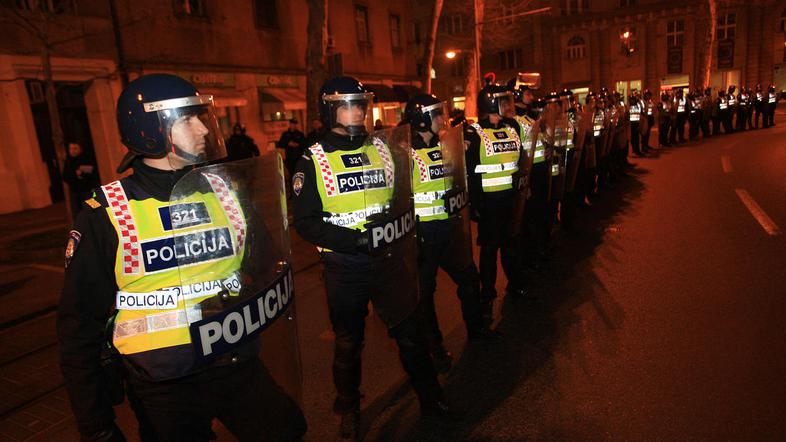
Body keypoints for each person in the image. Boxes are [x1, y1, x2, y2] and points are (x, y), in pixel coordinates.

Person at [57, 73, 306, 442]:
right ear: (150, 129)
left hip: (232, 358)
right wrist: (94, 424)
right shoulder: (106, 212)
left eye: (200, 117)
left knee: (286, 431)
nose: (204, 129)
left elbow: (265, 265)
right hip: (163, 382)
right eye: (188, 119)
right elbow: (78, 326)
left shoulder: (224, 189)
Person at [292, 77, 450, 440]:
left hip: (388, 256)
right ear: (330, 109)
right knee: (349, 342)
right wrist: (354, 239)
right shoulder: (311, 159)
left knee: (410, 331)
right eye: (349, 104)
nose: (359, 110)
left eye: (361, 103)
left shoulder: (382, 148)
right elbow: (306, 223)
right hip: (345, 266)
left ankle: (432, 398)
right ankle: (348, 406)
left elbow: (398, 197)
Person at [403, 93, 500, 373]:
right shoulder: (403, 152)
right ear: (422, 118)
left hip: (448, 228)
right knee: (424, 294)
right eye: (436, 115)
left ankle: (476, 329)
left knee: (469, 278)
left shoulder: (444, 144)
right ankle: (435, 349)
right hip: (422, 234)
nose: (441, 120)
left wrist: (463, 149)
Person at [465, 80, 528, 319]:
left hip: (511, 199)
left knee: (512, 245)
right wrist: (474, 204)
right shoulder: (473, 133)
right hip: (489, 203)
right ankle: (488, 292)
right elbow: (470, 172)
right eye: (504, 101)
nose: (509, 106)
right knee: (490, 251)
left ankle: (515, 283)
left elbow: (521, 161)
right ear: (491, 104)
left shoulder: (513, 127)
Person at [62, 141, 100, 217]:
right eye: (71, 149)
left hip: (88, 190)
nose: (73, 151)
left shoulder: (87, 159)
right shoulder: (69, 162)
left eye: (75, 148)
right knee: (78, 213)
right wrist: (75, 174)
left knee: (94, 210)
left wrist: (82, 174)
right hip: (75, 191)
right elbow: (65, 176)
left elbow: (93, 174)